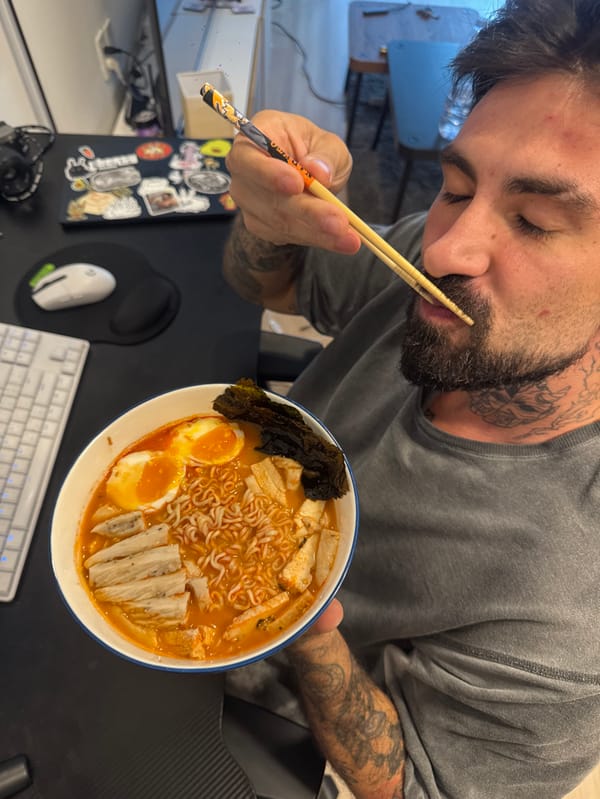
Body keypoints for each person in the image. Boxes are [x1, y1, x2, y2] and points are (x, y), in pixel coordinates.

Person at [221, 0, 600, 796]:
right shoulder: (441, 269)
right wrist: (269, 220)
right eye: (457, 186)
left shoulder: (573, 594)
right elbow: (279, 280)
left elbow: (413, 781)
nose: (447, 245)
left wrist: (306, 614)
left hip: (258, 711)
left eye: (532, 222)